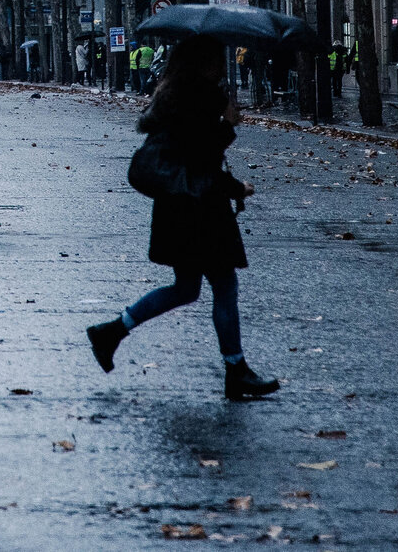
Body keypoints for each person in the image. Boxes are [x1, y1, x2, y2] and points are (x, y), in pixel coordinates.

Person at [87, 37, 279, 401]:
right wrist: (229, 138)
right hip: (200, 209)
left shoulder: (171, 93)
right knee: (223, 287)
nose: (222, 65)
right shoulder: (200, 98)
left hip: (176, 208)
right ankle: (236, 370)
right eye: (217, 59)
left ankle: (112, 331)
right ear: (204, 62)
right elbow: (201, 158)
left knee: (186, 288)